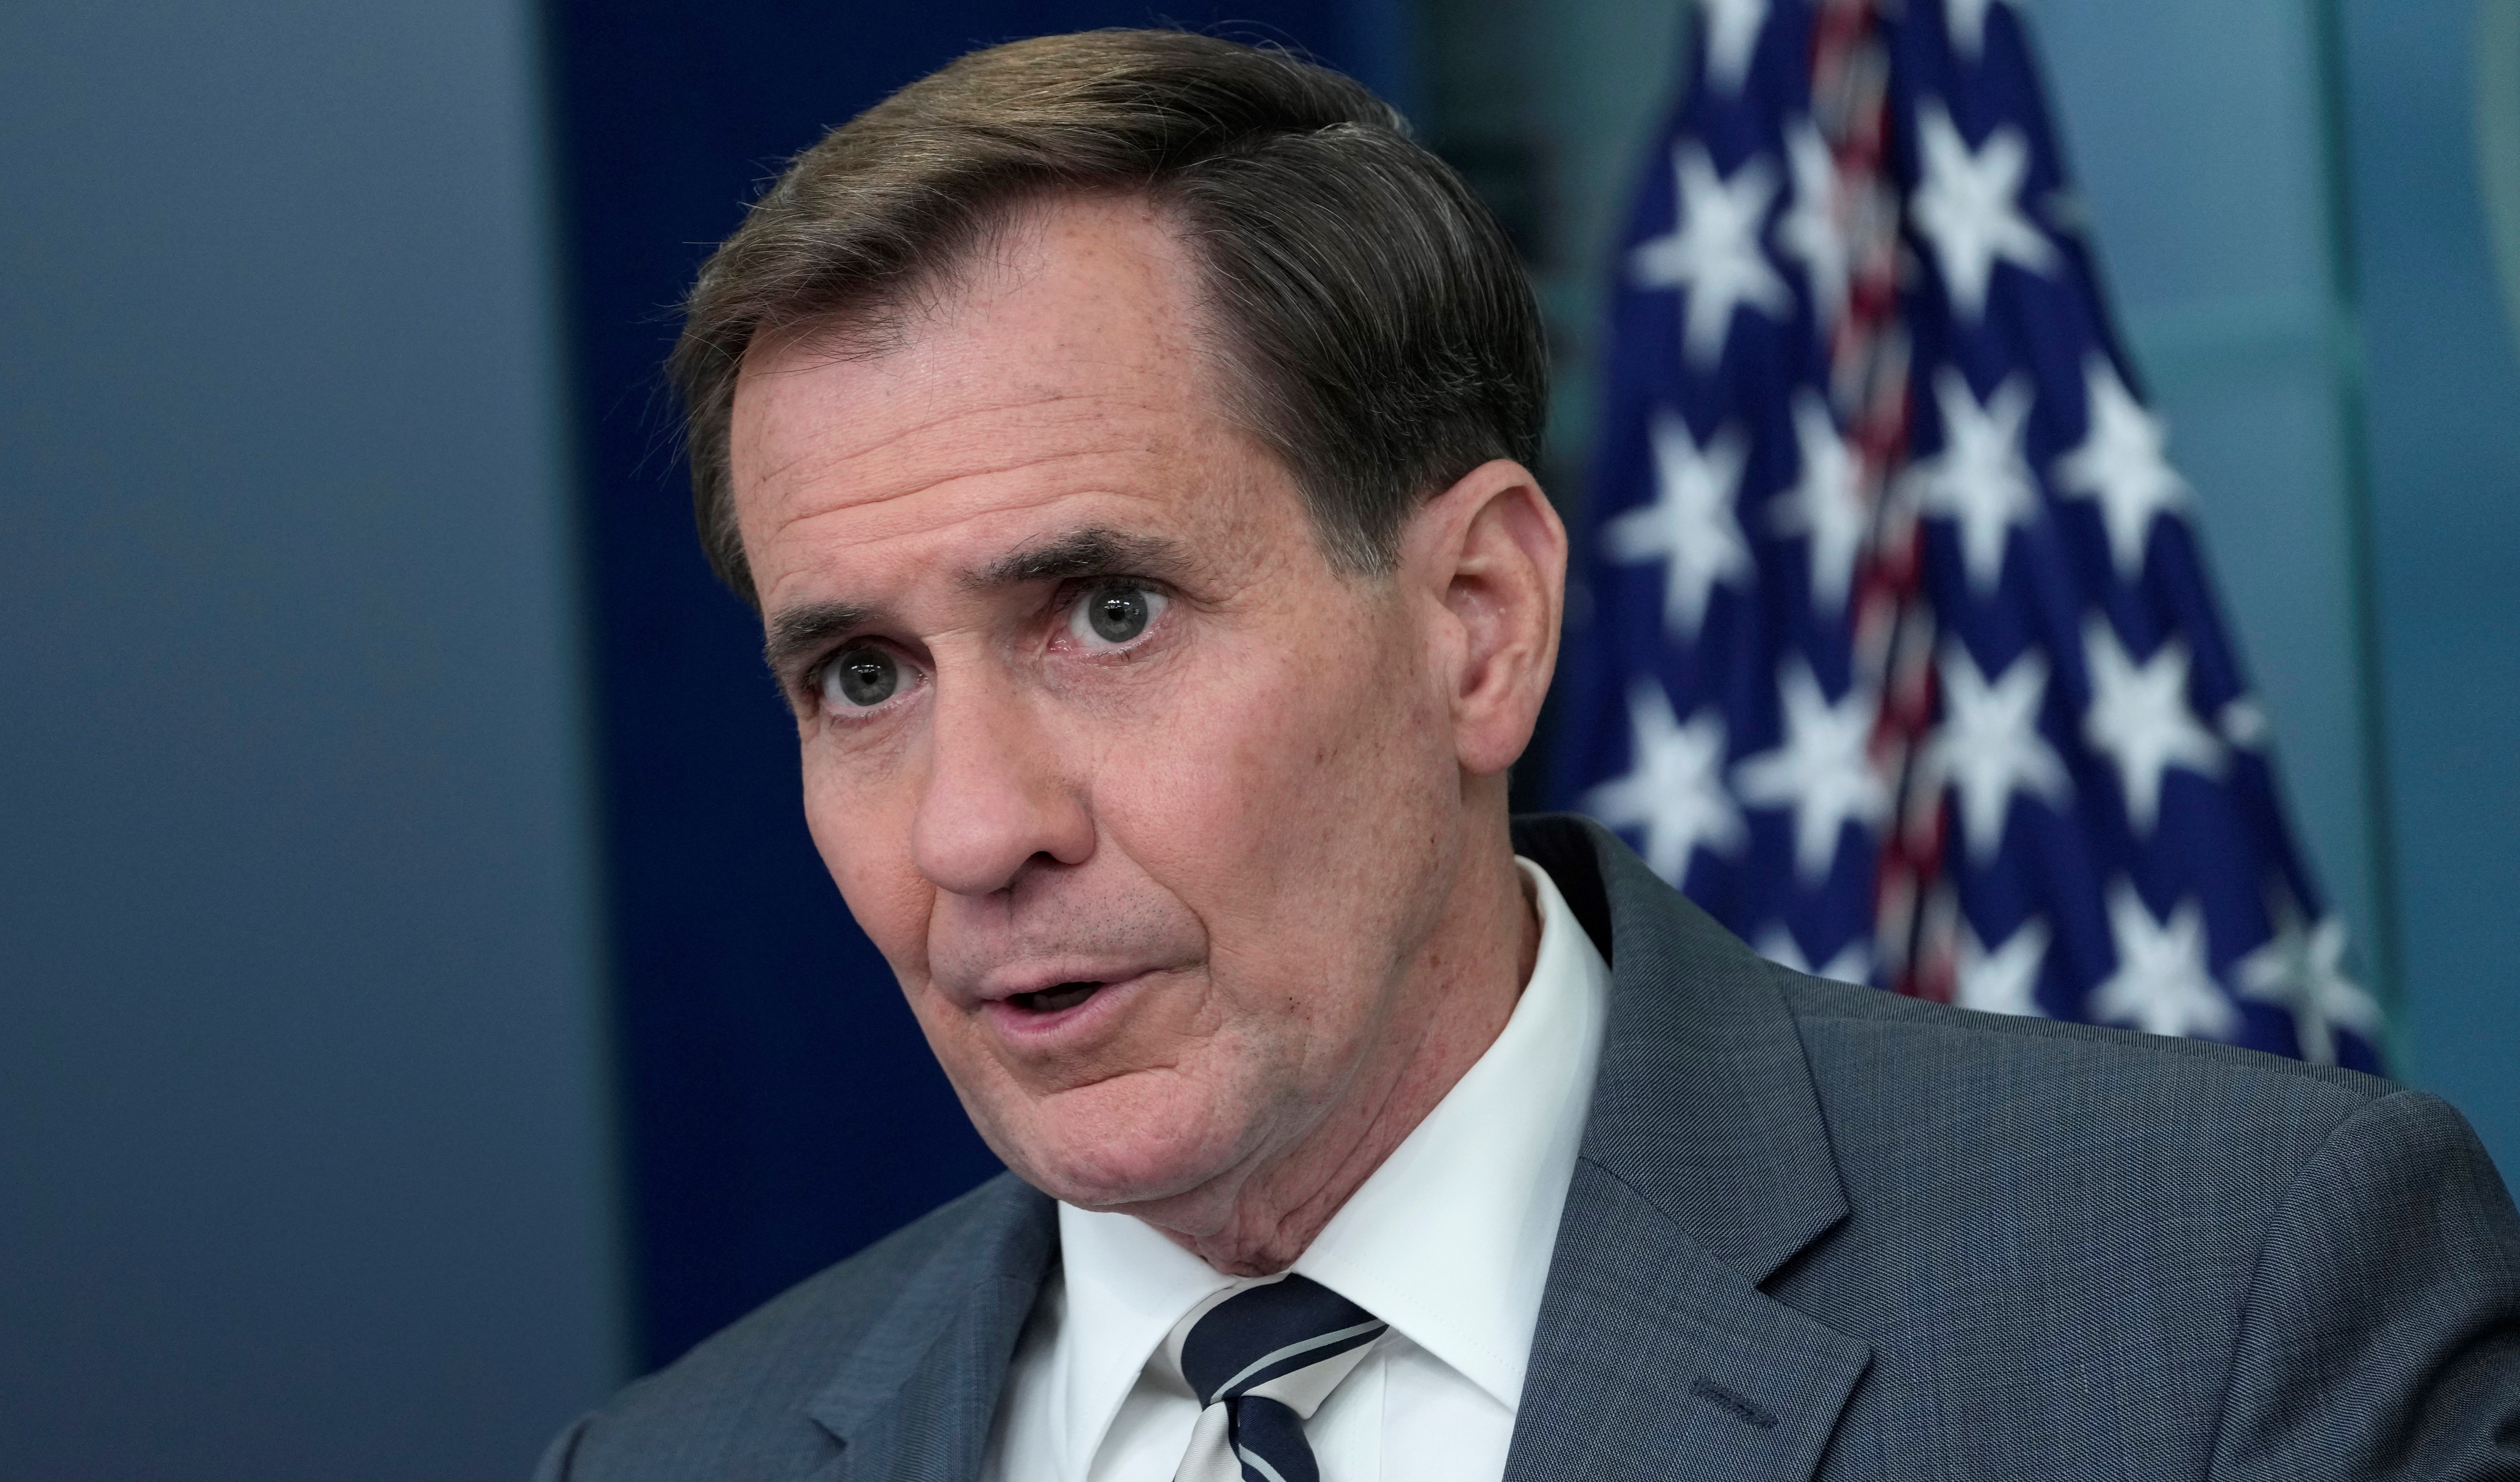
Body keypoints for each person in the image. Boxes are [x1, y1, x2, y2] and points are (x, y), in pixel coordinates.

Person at [536, 29, 2520, 1482]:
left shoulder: (2225, 1309)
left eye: (1109, 613)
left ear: (1476, 623)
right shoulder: (654, 1465)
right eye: (864, 676)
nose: (973, 831)